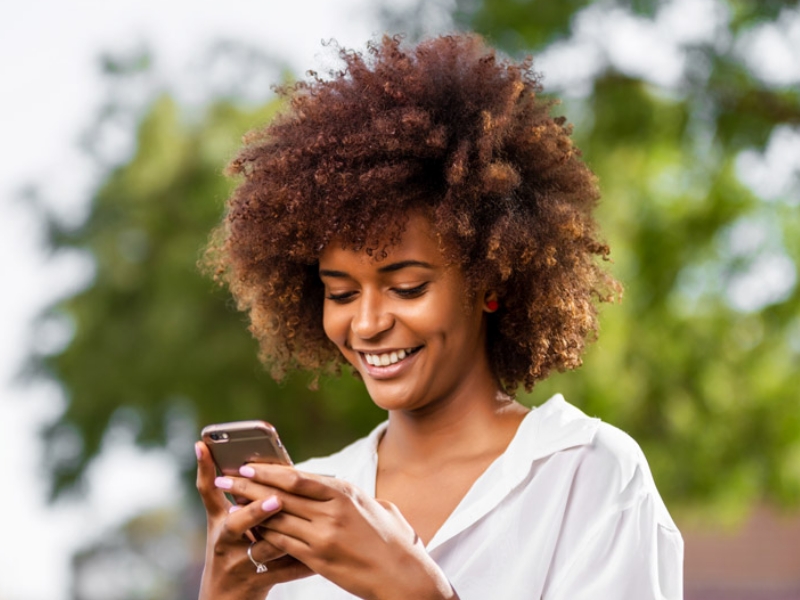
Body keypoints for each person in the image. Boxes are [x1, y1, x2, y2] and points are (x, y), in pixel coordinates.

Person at [195, 33, 683, 600]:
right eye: (342, 294)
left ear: (490, 282)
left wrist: (421, 593)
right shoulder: (309, 504)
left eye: (406, 287)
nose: (368, 323)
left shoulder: (587, 473)